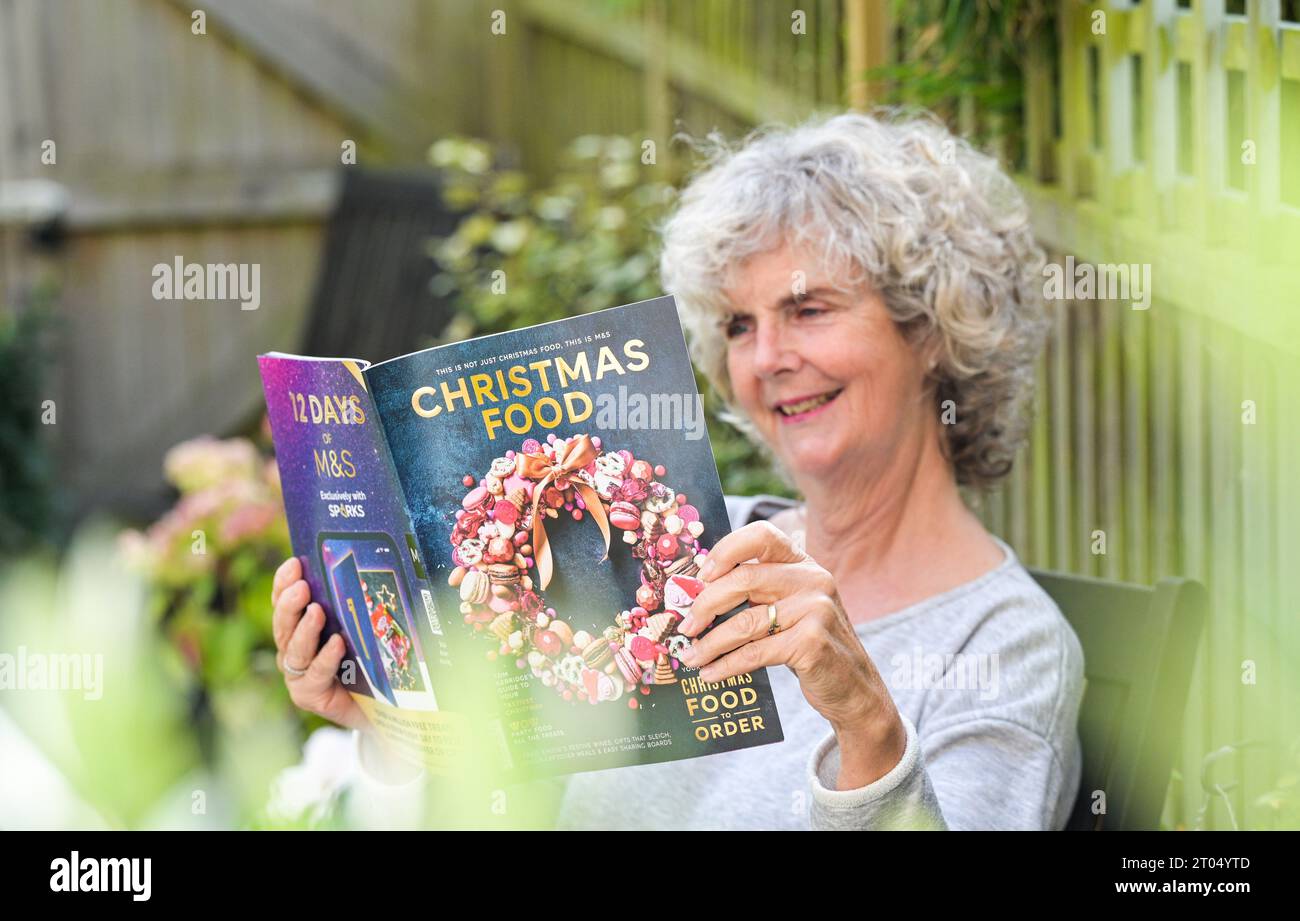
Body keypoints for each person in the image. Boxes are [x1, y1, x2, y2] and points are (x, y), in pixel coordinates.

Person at [269, 110, 1084, 830]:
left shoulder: (1004, 643)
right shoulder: (680, 536)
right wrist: (388, 721)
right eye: (737, 324)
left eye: (809, 309)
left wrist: (867, 726)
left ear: (934, 327)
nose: (767, 358)